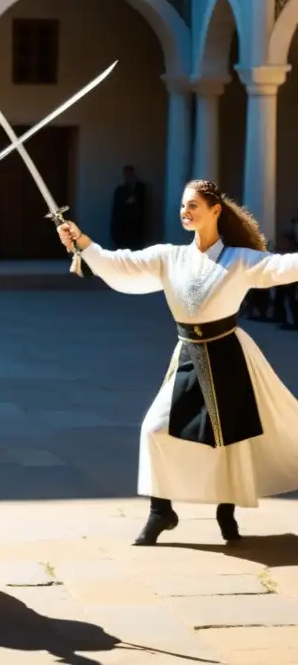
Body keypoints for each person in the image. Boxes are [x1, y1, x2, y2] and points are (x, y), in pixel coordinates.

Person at [57, 179, 298, 546]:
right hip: (188, 354)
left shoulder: (239, 259)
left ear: (216, 210)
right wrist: (84, 243)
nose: (185, 212)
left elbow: (281, 268)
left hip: (228, 354)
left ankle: (226, 510)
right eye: (183, 206)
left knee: (229, 441)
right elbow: (121, 264)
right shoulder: (170, 257)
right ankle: (161, 511)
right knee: (154, 429)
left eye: (194, 206)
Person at [111, 165, 146, 250]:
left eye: (129, 173)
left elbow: (143, 207)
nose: (128, 176)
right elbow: (116, 210)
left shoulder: (140, 189)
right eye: (126, 174)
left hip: (137, 227)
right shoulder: (120, 190)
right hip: (123, 227)